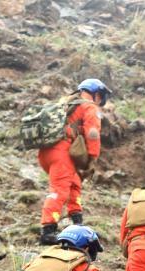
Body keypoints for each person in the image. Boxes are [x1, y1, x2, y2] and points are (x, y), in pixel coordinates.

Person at [38, 78, 111, 246]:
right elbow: (92, 133)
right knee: (60, 190)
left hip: (47, 152)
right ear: (96, 93)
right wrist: (92, 157)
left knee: (74, 184)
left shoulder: (66, 103)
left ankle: (77, 223)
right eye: (101, 96)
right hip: (61, 152)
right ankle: (48, 230)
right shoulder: (89, 106)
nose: (101, 100)